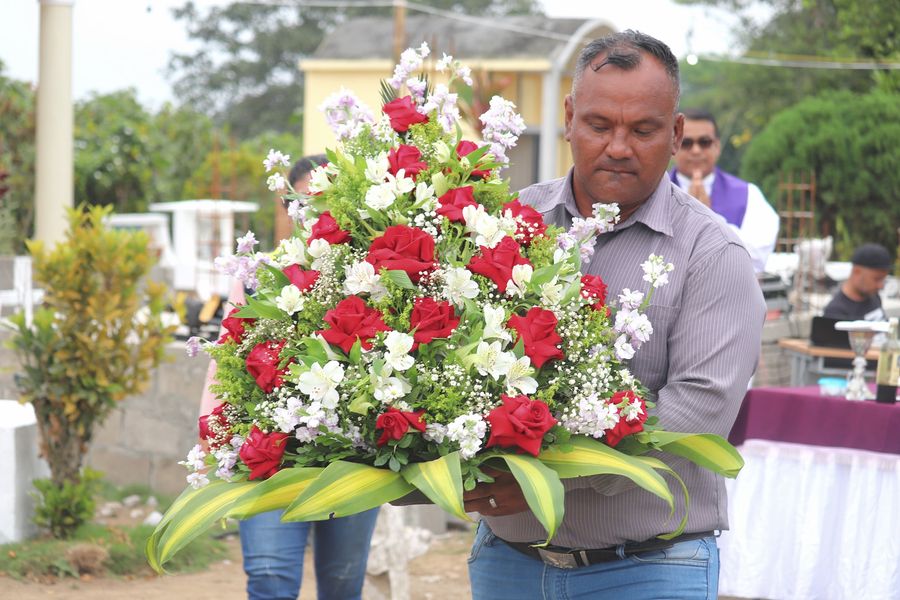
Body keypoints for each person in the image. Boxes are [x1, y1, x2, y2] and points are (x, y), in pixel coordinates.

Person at [463, 31, 766, 599]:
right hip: (509, 564)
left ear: (675, 134)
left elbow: (696, 413)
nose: (619, 147)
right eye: (599, 125)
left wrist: (541, 479)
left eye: (643, 130)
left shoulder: (713, 255)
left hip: (649, 569)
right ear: (569, 118)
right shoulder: (507, 224)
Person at [200, 155, 379, 600]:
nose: (316, 212)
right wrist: (210, 431)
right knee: (270, 579)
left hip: (350, 457)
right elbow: (225, 358)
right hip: (269, 451)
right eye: (304, 201)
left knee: (342, 585)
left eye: (328, 200)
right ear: (288, 208)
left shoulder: (371, 275)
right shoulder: (258, 276)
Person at [669, 108, 779, 274]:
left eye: (704, 142)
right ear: (674, 145)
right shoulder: (653, 192)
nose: (696, 150)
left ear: (717, 147)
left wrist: (710, 219)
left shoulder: (748, 194)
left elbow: (758, 257)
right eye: (686, 143)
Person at [823, 242, 892, 321]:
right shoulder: (835, 312)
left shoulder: (873, 296)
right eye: (876, 279)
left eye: (883, 279)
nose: (881, 286)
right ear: (857, 271)